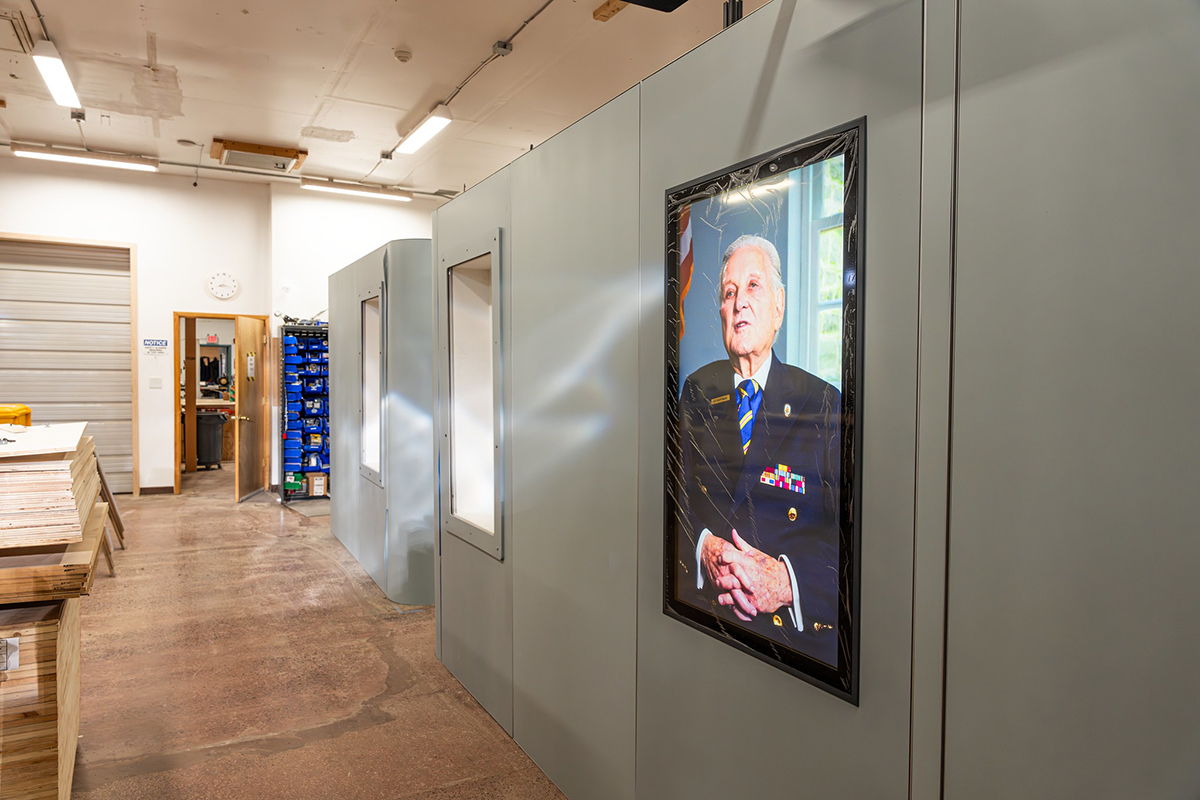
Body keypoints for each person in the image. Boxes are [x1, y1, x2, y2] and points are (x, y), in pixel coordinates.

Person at [676, 234, 841, 666]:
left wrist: (787, 582)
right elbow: (673, 505)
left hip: (788, 650)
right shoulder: (696, 391)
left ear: (779, 306)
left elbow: (850, 541)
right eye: (729, 292)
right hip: (703, 629)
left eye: (753, 286)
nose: (739, 302)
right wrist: (703, 547)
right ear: (721, 313)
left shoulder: (823, 404)